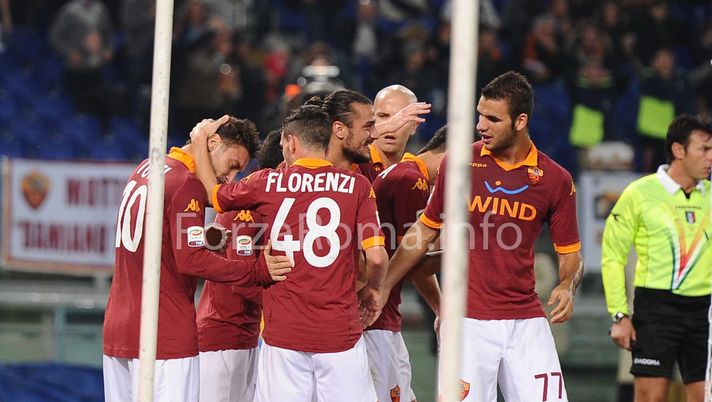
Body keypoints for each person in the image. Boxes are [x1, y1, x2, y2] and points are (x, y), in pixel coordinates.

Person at [381, 71, 584, 401]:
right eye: (479, 115)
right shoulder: (459, 162)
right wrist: (384, 285)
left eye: (492, 119)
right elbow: (425, 230)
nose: (481, 126)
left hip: (526, 321)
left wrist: (566, 285)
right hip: (466, 321)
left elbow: (570, 254)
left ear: (520, 121)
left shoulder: (555, 180)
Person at [190, 105, 388, 402]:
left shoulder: (266, 181)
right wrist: (374, 290)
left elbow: (214, 196)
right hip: (339, 333)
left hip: (283, 334)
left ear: (292, 143)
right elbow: (377, 257)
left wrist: (198, 143)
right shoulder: (358, 185)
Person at [102, 116, 292, 402]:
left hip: (119, 329)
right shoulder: (186, 183)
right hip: (163, 332)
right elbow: (191, 261)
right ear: (212, 142)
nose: (230, 179)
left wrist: (202, 238)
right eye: (232, 165)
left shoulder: (146, 168)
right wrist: (257, 270)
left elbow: (156, 238)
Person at [601, 114, 712, 402]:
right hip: (656, 309)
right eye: (704, 149)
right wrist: (619, 315)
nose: (710, 157)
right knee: (651, 398)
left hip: (705, 312)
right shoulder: (639, 193)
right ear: (679, 150)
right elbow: (613, 256)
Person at [196, 129, 285, 402]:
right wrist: (291, 304)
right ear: (284, 166)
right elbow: (242, 281)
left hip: (243, 335)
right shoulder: (246, 208)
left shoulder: (267, 206)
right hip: (223, 338)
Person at [365, 125, 448, 402]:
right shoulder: (412, 181)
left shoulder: (404, 173)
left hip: (383, 312)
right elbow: (413, 261)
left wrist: (440, 307)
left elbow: (410, 256)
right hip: (375, 316)